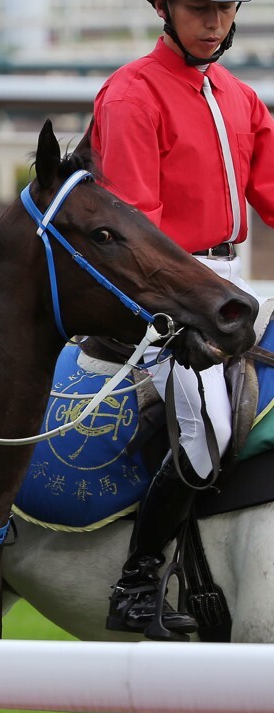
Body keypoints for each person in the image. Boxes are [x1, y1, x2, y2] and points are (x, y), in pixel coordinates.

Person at [91, 0, 273, 639]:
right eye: (200, 8)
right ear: (165, 9)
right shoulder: (131, 95)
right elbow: (132, 230)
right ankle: (137, 582)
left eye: (225, 8)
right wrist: (178, 310)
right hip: (160, 294)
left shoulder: (241, 97)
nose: (215, 22)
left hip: (231, 286)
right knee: (207, 441)